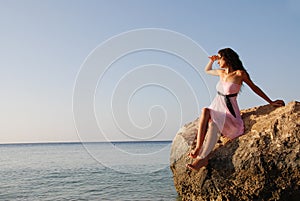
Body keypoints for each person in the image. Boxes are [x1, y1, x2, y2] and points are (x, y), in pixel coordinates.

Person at [186, 48, 285, 171]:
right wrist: (212, 60)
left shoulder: (240, 74)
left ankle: (202, 158)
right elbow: (207, 70)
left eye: (219, 58)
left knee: (212, 124)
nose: (218, 62)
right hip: (217, 108)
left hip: (230, 114)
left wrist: (270, 102)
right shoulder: (221, 73)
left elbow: (254, 88)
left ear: (227, 58)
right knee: (205, 111)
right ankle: (199, 150)